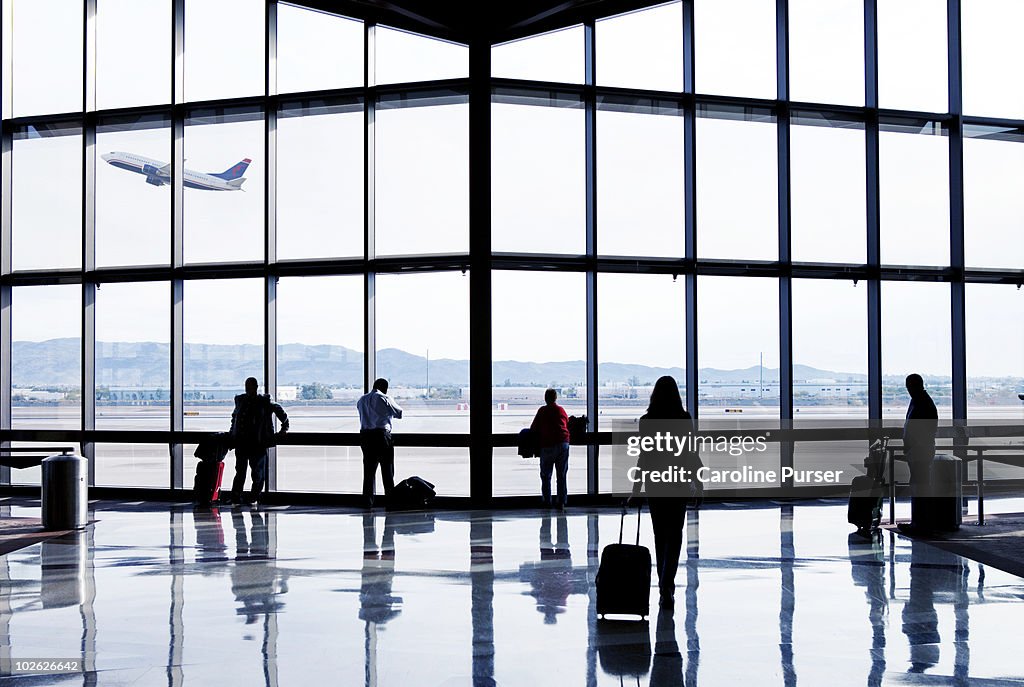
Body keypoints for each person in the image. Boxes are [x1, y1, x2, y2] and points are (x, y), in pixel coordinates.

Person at [628, 375, 698, 610]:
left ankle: (662, 583)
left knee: (660, 535)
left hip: (656, 484)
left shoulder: (647, 421)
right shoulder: (684, 419)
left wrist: (636, 489)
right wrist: (696, 483)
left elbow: (643, 457)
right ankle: (668, 582)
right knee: (675, 535)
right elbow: (690, 453)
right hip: (677, 483)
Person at [228, 377, 289, 507]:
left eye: (249, 386)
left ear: (255, 387)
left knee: (257, 473)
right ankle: (236, 496)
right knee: (240, 472)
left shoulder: (264, 401)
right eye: (246, 386)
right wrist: (232, 433)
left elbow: (281, 412)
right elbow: (235, 418)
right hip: (242, 443)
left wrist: (285, 427)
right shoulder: (240, 401)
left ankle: (253, 497)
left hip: (257, 443)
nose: (247, 389)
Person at [357, 378, 403, 509]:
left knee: (368, 472)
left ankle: (367, 502)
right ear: (385, 388)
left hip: (365, 436)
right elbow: (399, 413)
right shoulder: (384, 398)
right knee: (387, 470)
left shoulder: (361, 400)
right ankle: (390, 502)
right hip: (381, 436)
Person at [901, 373, 938, 533]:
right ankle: (920, 521)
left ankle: (921, 522)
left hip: (919, 450)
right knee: (919, 483)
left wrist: (911, 445)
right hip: (919, 450)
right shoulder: (921, 400)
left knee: (920, 484)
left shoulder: (921, 402)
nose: (909, 390)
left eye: (909, 387)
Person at [530, 388, 571, 509]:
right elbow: (566, 423)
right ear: (555, 398)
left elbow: (534, 428)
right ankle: (561, 502)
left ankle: (547, 501)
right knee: (562, 474)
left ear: (545, 398)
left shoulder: (542, 411)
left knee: (546, 475)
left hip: (548, 444)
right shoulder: (561, 410)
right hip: (563, 443)